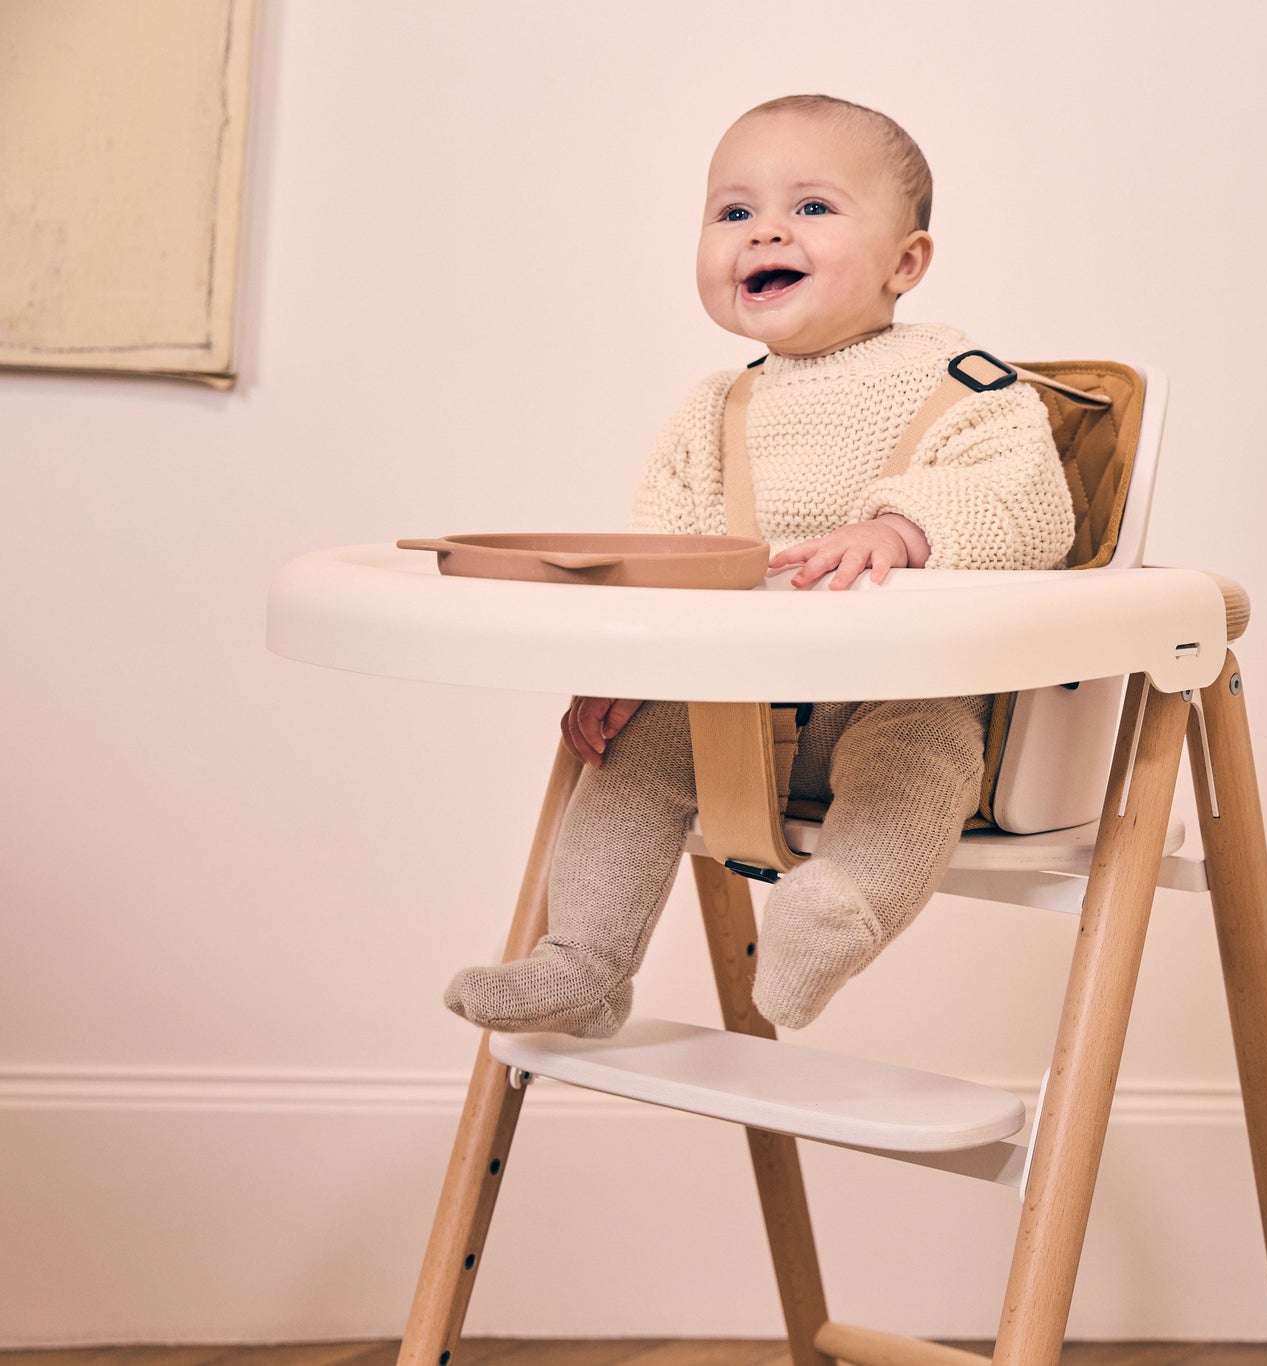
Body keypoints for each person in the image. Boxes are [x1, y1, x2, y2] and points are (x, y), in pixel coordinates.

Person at [443, 94, 1074, 1034]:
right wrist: (627, 668)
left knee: (923, 751)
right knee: (626, 763)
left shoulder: (967, 383)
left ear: (907, 262)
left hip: (893, 690)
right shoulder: (714, 410)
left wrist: (901, 530)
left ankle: (836, 912)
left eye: (813, 208)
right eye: (733, 212)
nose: (766, 229)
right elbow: (661, 553)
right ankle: (582, 962)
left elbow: (1031, 509)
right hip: (731, 708)